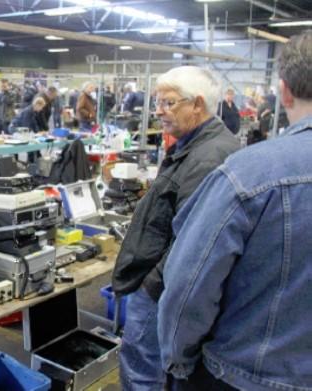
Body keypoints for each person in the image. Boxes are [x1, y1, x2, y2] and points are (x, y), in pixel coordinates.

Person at [158, 30, 312, 391]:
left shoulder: (249, 174)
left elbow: (187, 286)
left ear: (284, 90)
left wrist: (179, 362)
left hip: (245, 376)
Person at [111, 66, 240, 391]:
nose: (158, 111)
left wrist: (148, 287)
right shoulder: (204, 145)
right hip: (166, 288)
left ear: (197, 104)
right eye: (158, 102)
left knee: (143, 374)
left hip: (160, 293)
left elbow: (191, 245)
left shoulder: (206, 158)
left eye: (168, 103)